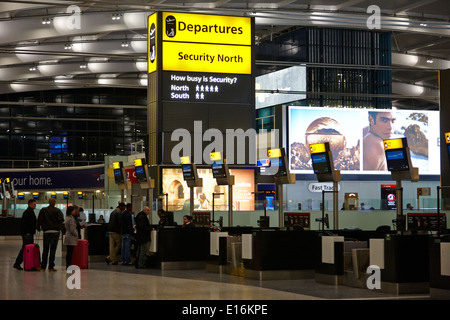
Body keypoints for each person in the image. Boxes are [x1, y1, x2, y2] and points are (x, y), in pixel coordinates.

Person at [36, 198, 64, 272]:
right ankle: (51, 267)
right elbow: (61, 221)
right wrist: (62, 229)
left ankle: (43, 267)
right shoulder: (58, 211)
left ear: (48, 202)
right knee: (53, 250)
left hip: (46, 232)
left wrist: (38, 227)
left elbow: (39, 219)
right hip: (55, 232)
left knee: (45, 249)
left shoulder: (43, 210)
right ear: (54, 203)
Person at [13, 199, 39, 271]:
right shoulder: (27, 212)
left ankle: (26, 264)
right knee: (26, 249)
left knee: (27, 249)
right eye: (34, 204)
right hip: (27, 234)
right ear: (29, 204)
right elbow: (24, 224)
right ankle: (18, 263)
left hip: (29, 233)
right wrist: (27, 232)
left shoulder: (30, 212)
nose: (35, 205)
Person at [64, 205, 79, 270]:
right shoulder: (71, 218)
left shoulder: (67, 217)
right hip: (71, 237)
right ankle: (68, 265)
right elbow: (72, 228)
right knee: (70, 252)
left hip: (68, 236)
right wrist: (76, 234)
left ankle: (68, 265)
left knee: (69, 252)